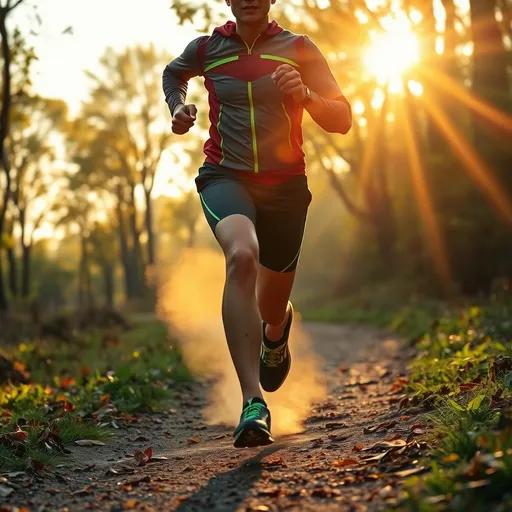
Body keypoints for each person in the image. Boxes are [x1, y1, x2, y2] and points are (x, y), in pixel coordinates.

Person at [162, 0, 351, 448]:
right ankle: (253, 402)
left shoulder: (299, 48)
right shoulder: (208, 48)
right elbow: (173, 74)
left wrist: (305, 95)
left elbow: (341, 118)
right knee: (242, 255)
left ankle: (276, 330)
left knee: (271, 305)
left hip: (285, 187)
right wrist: (179, 106)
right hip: (225, 176)